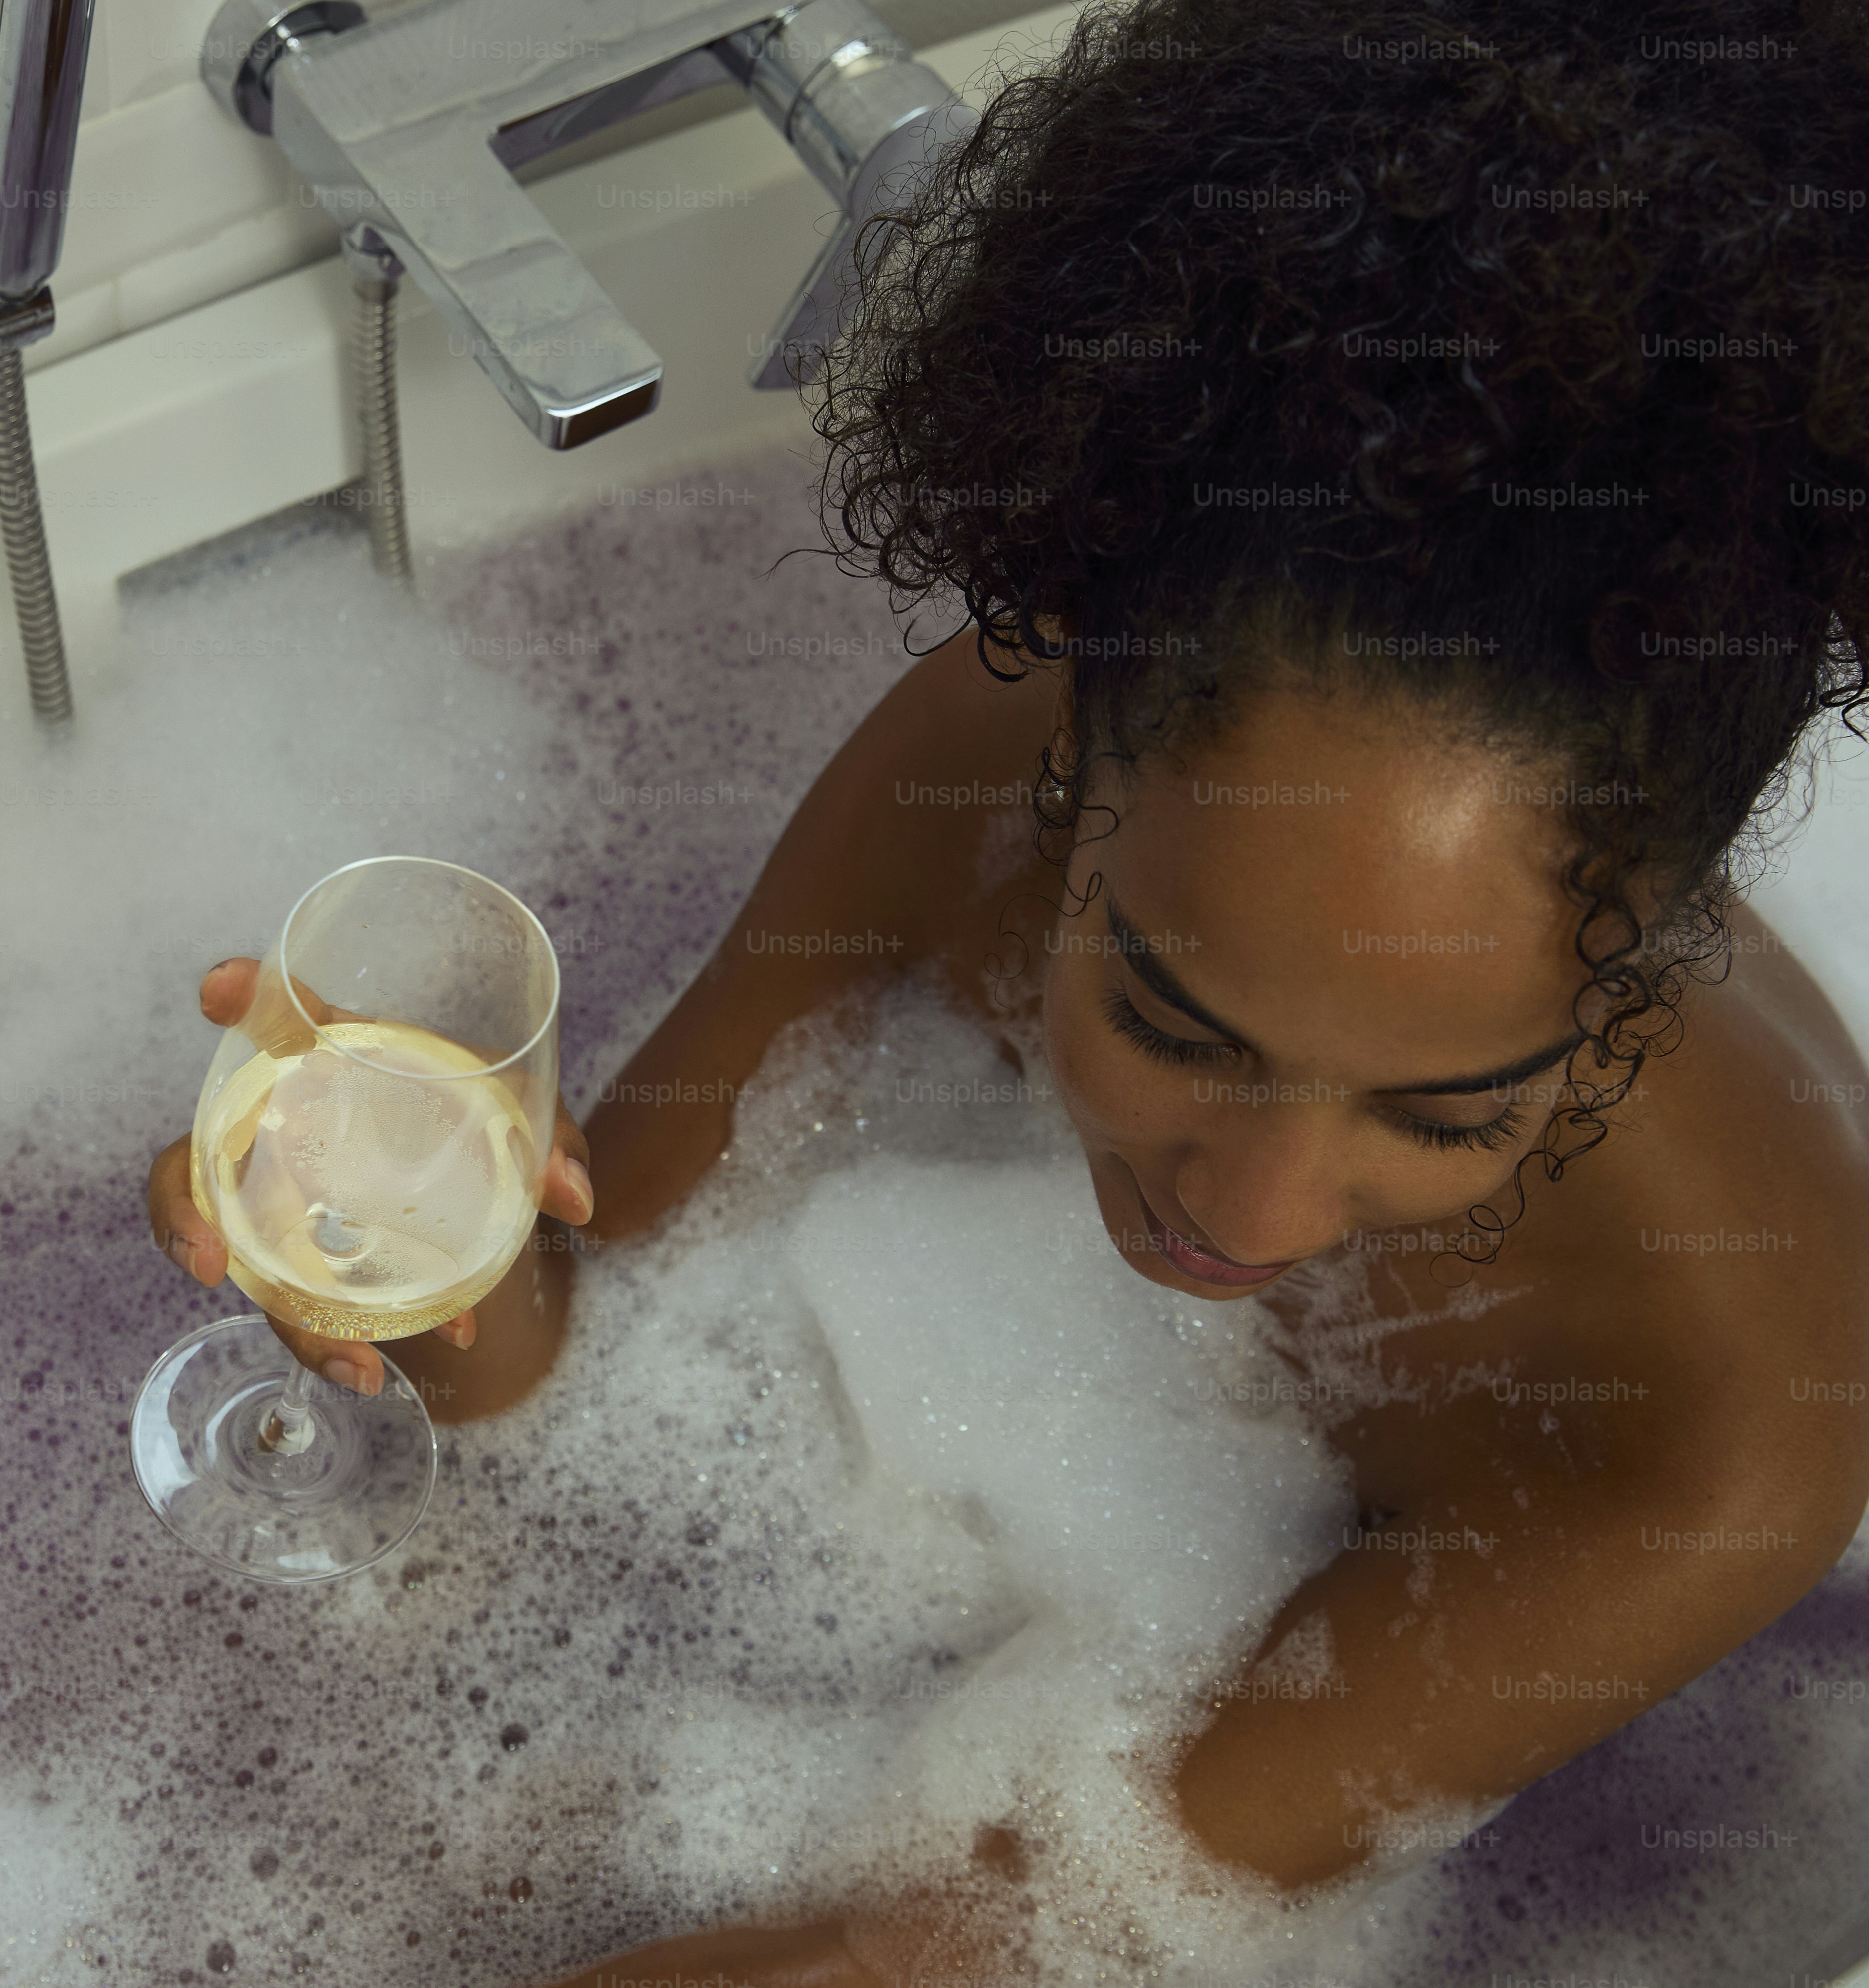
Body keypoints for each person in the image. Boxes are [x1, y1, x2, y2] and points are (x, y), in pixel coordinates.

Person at [147, 0, 1869, 1977]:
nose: (1251, 1212)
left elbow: (995, 1926)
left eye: (1450, 1106)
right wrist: (392, 1207)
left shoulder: (1734, 1423)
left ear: (1647, 966)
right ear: (1084, 753)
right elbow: (574, 1340)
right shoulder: (982, 772)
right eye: (1175, 1019)